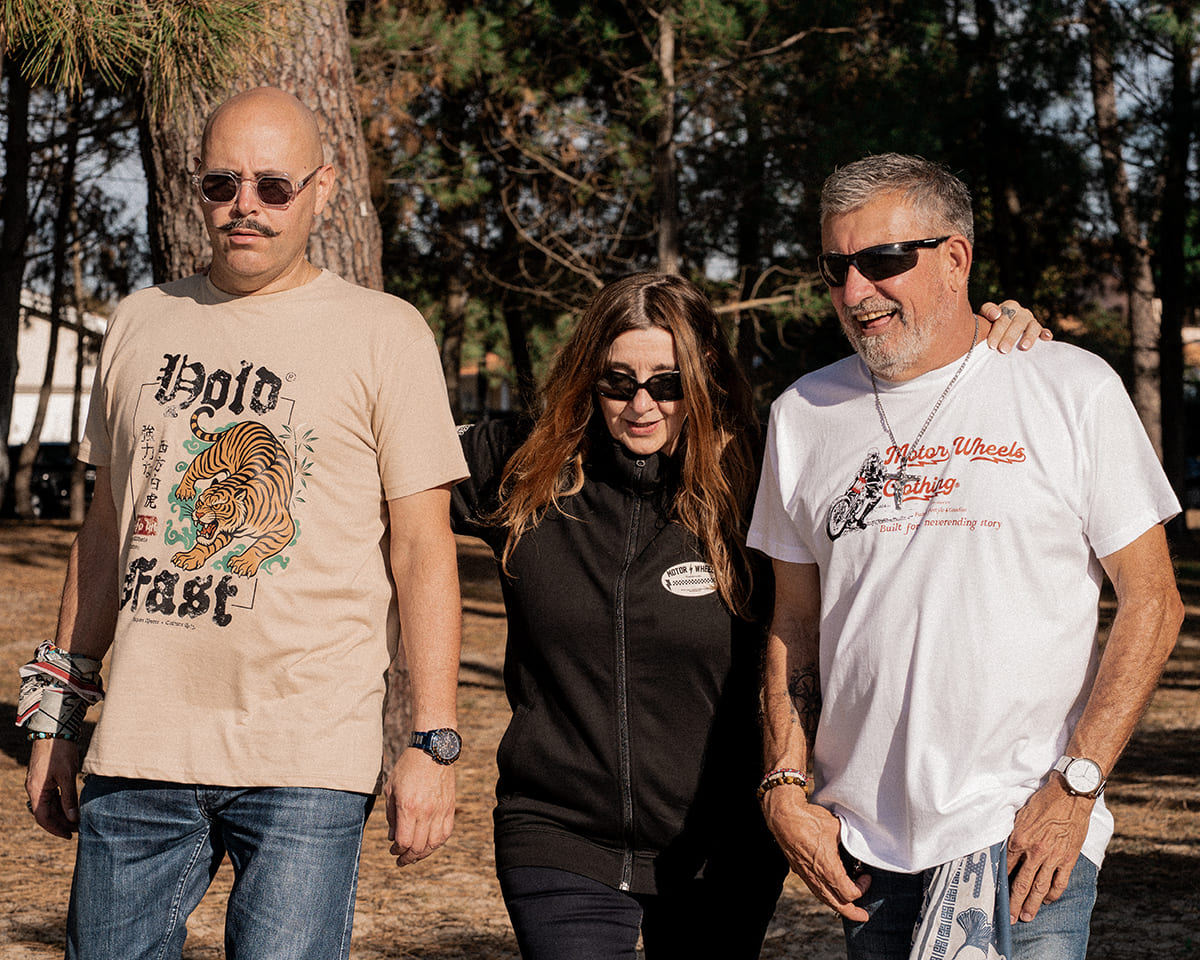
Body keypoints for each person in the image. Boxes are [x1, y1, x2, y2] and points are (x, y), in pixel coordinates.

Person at [450, 272, 1048, 960]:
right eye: (618, 382)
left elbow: (912, 457)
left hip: (723, 846)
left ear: (704, 375)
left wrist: (983, 337)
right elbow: (376, 445)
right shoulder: (527, 466)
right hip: (559, 834)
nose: (641, 405)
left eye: (667, 383)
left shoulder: (765, 471)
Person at [17, 87, 469, 960]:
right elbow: (104, 536)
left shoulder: (385, 333)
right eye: (222, 184)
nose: (245, 208)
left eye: (273, 186)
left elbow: (423, 549)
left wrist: (434, 741)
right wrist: (55, 717)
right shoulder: (142, 322)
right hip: (141, 749)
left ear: (323, 188)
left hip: (306, 756)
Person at [747, 153, 1183, 960]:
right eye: (835, 266)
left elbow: (1153, 600)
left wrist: (1077, 785)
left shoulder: (1069, 387)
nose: (854, 291)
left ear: (956, 258)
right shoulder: (801, 414)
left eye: (882, 261)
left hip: (1021, 831)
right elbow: (795, 620)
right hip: (862, 848)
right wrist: (783, 785)